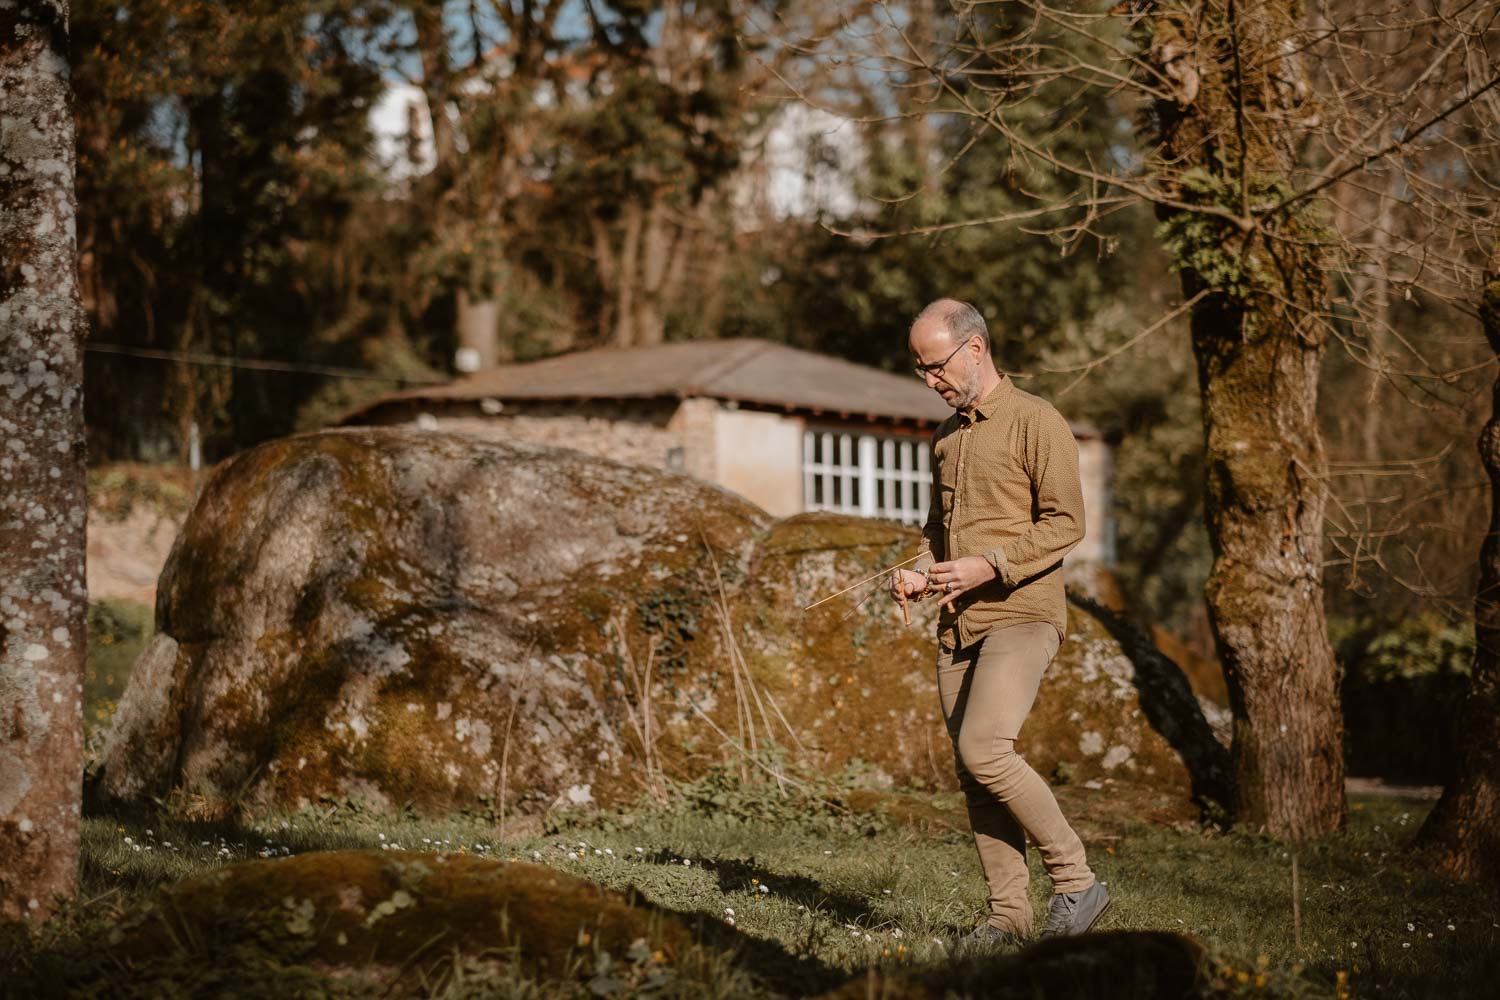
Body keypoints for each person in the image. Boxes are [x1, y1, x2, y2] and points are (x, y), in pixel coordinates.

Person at [890, 298, 1110, 942]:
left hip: (1023, 613)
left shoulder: (1037, 421)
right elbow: (938, 531)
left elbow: (1067, 523)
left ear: (975, 349)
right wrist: (920, 570)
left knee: (987, 748)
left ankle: (1076, 882)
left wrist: (989, 565)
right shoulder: (945, 439)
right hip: (958, 624)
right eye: (920, 371)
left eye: (935, 367)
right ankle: (1008, 918)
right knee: (973, 770)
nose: (930, 381)